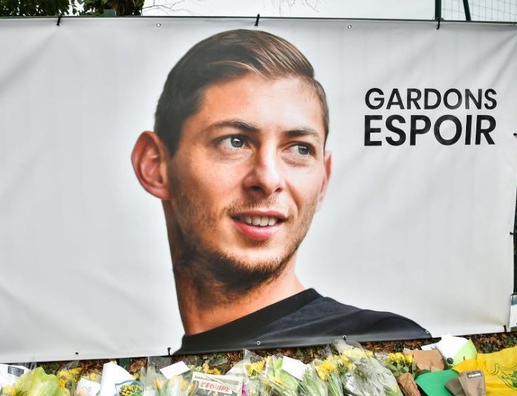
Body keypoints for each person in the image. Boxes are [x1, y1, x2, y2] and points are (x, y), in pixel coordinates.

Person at [131, 28, 430, 354]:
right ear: (155, 165)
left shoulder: (381, 344)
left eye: (300, 149)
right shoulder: (157, 377)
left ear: (323, 182)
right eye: (234, 141)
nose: (268, 179)